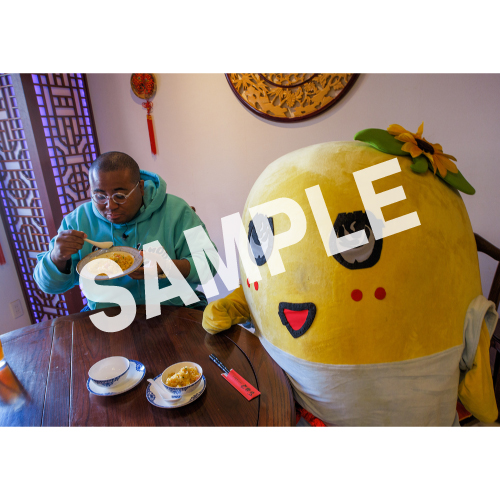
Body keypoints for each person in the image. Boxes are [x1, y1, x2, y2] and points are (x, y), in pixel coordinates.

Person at [34, 151, 216, 311]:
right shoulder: (76, 221)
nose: (110, 205)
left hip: (174, 308)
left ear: (141, 188)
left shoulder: (177, 211)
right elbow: (48, 286)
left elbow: (210, 264)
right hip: (108, 314)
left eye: (120, 196)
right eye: (100, 196)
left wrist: (167, 267)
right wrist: (56, 258)